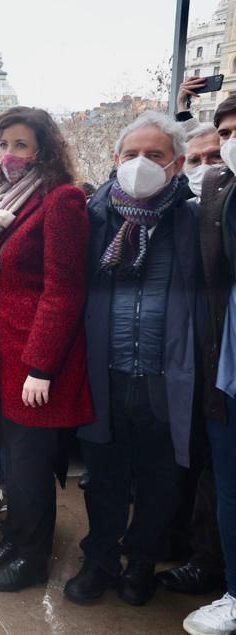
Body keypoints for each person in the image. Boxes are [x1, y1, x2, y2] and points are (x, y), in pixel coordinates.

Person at [65, 112, 200, 607]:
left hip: (168, 377)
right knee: (103, 475)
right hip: (107, 372)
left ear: (177, 164)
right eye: (131, 154)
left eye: (155, 155)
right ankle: (98, 558)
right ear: (115, 160)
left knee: (161, 477)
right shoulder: (94, 216)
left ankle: (141, 559)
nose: (141, 163)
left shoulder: (191, 220)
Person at [0, 106, 93, 592]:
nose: (9, 153)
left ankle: (32, 558)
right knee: (13, 463)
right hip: (5, 354)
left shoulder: (61, 201)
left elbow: (64, 289)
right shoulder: (4, 203)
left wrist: (41, 365)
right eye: (3, 144)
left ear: (44, 148)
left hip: (36, 360)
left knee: (32, 464)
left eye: (21, 144)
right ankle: (14, 541)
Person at [184, 94, 236, 635]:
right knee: (220, 479)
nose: (218, 155)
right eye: (224, 133)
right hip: (216, 354)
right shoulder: (214, 198)